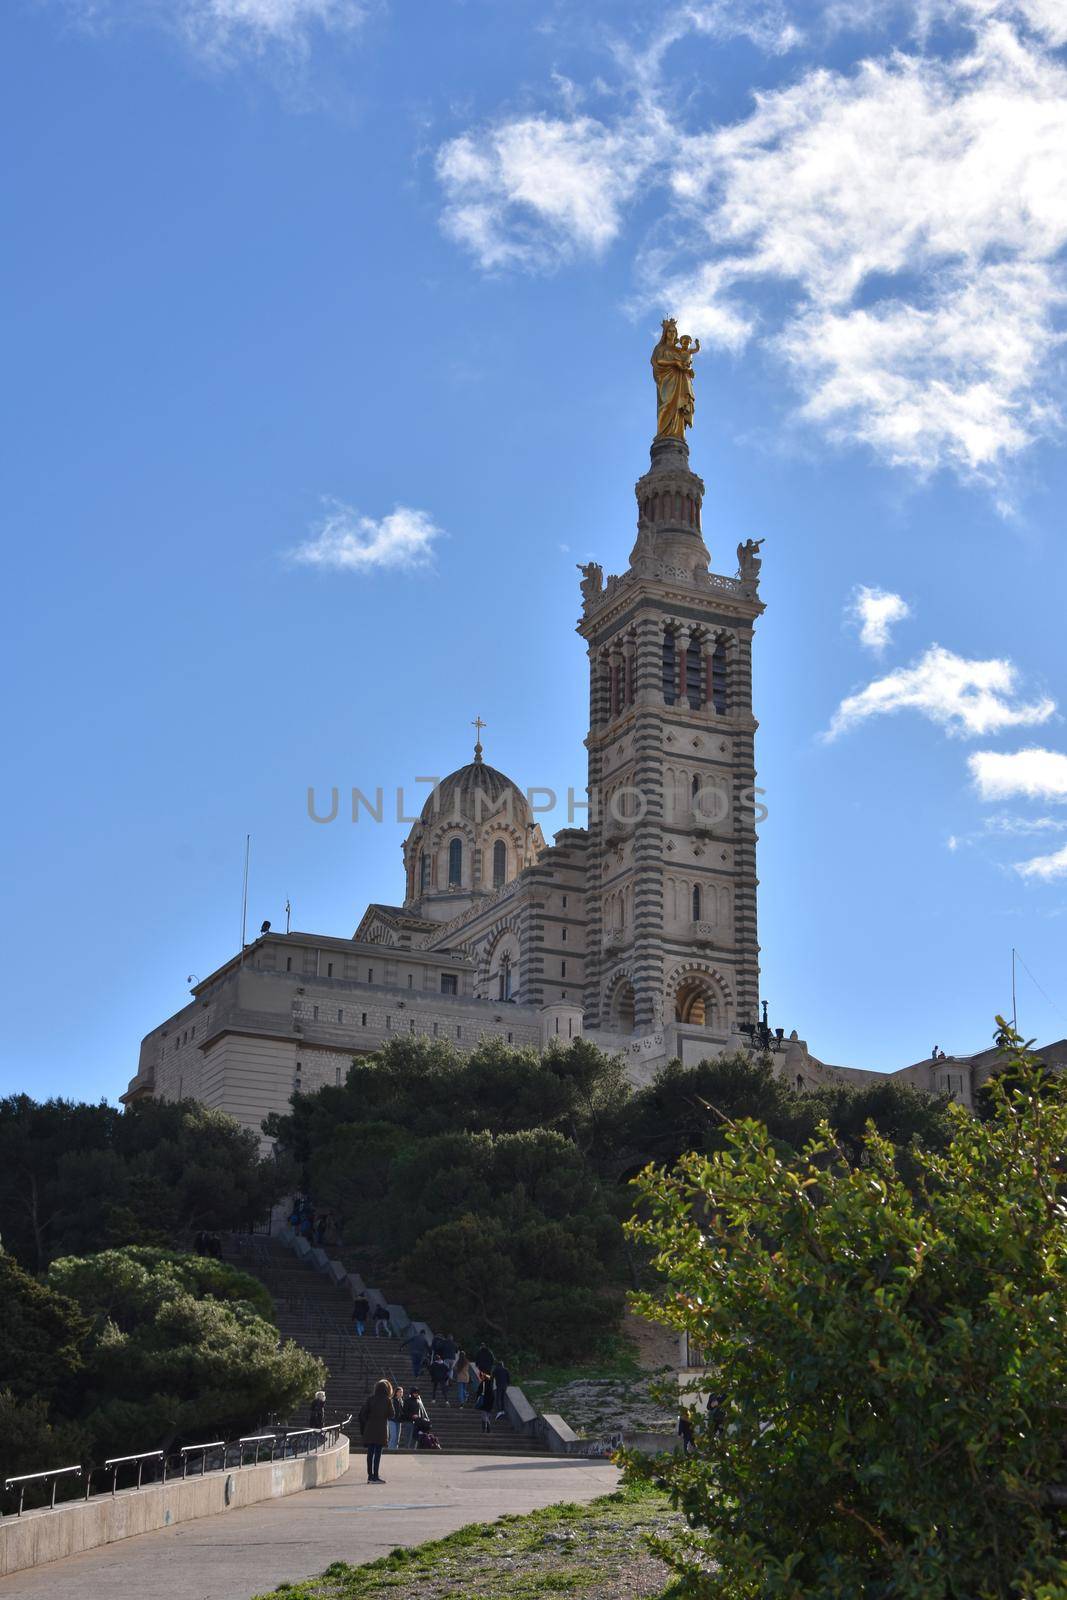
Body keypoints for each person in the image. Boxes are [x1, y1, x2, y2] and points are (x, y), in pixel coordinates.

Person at [357, 1378, 394, 1484]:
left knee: (370, 1453)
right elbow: (392, 1414)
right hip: (381, 1430)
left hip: (370, 1429)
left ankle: (370, 1476)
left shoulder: (370, 1399)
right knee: (377, 1454)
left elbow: (363, 1414)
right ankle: (376, 1476)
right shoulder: (387, 1400)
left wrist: (368, 1421)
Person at [475, 1368, 494, 1433]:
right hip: (491, 1399)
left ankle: (486, 1427)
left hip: (484, 1399)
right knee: (488, 1413)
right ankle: (488, 1427)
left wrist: (477, 1399)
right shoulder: (491, 1383)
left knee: (483, 1414)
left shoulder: (483, 1383)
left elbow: (478, 1392)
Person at [388, 1384, 405, 1451]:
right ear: (396, 1392)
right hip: (392, 1420)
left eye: (402, 1392)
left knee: (397, 1437)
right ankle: (390, 1450)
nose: (401, 1393)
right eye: (400, 1392)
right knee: (393, 1436)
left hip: (399, 1421)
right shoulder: (392, 1400)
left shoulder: (401, 1401)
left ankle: (395, 1450)